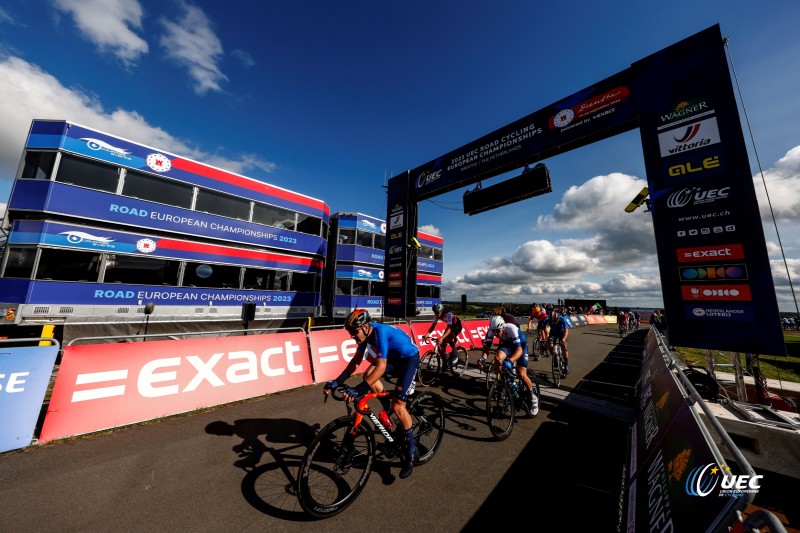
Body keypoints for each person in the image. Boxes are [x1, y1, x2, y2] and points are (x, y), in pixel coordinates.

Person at [324, 309, 421, 479]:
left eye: (354, 332)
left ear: (366, 326)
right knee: (368, 375)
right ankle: (387, 408)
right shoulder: (365, 336)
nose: (352, 336)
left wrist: (360, 389)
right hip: (394, 359)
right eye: (349, 333)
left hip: (408, 360)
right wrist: (336, 382)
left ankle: (412, 450)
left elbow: (381, 367)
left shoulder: (380, 332)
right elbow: (355, 362)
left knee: (399, 406)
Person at [478, 315, 539, 416]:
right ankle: (507, 385)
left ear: (502, 327)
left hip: (521, 346)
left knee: (521, 373)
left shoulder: (511, 328)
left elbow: (519, 350)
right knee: (497, 359)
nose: (496, 334)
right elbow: (487, 347)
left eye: (498, 331)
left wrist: (510, 361)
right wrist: (482, 358)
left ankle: (533, 398)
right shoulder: (491, 330)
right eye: (494, 331)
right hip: (507, 345)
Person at [422, 302, 463, 371]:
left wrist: (442, 338)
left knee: (448, 338)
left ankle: (456, 353)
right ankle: (445, 362)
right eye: (435, 312)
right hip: (449, 326)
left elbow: (450, 328)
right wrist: (427, 334)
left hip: (456, 326)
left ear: (441, 311)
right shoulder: (437, 315)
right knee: (442, 343)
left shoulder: (448, 314)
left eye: (437, 312)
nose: (436, 314)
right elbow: (433, 326)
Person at [542, 308, 571, 373]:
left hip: (561, 333)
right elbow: (543, 329)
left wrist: (563, 340)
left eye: (555, 321)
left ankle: (566, 365)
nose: (553, 322)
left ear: (558, 318)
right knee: (549, 343)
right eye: (552, 321)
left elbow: (566, 331)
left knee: (564, 347)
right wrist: (544, 338)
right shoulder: (547, 319)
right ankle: (554, 357)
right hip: (553, 333)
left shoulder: (562, 319)